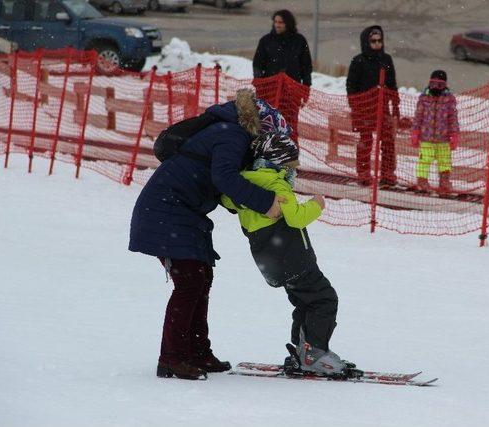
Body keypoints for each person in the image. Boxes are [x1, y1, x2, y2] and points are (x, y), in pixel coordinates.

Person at [129, 89, 285, 381]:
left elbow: (221, 183)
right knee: (190, 281)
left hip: (181, 211)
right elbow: (224, 177)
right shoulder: (232, 134)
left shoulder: (227, 131)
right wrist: (265, 203)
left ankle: (198, 351)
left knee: (201, 277)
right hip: (167, 208)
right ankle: (172, 358)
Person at [221, 132, 353, 376]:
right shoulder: (276, 184)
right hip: (293, 257)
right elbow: (295, 217)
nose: (292, 173)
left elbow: (227, 199)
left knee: (304, 302)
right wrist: (316, 205)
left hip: (270, 260)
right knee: (325, 299)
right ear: (279, 162)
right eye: (290, 166)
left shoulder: (242, 183)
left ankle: (302, 351)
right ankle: (314, 354)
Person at [346, 25, 400, 188]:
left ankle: (387, 173)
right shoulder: (358, 61)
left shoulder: (386, 59)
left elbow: (392, 84)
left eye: (379, 41)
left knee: (388, 141)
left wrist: (395, 104)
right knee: (366, 141)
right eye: (373, 41)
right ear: (366, 42)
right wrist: (355, 105)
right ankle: (363, 173)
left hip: (382, 107)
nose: (377, 44)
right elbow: (351, 86)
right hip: (364, 108)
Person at [252, 9, 313, 143]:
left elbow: (306, 67)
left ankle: (290, 158)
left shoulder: (299, 41)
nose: (277, 25)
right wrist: (260, 86)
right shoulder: (266, 41)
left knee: (289, 125)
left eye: (281, 22)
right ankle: (267, 155)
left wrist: (305, 89)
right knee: (268, 125)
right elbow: (257, 65)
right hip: (269, 92)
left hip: (292, 93)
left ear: (288, 24)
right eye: (275, 22)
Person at [410, 70, 460, 193]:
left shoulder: (449, 99)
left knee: (445, 161)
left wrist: (454, 134)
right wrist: (415, 132)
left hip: (443, 138)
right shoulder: (424, 98)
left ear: (445, 85)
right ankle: (422, 181)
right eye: (433, 84)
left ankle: (444, 181)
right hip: (426, 137)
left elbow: (452, 117)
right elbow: (418, 116)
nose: (436, 88)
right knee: (425, 160)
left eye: (440, 85)